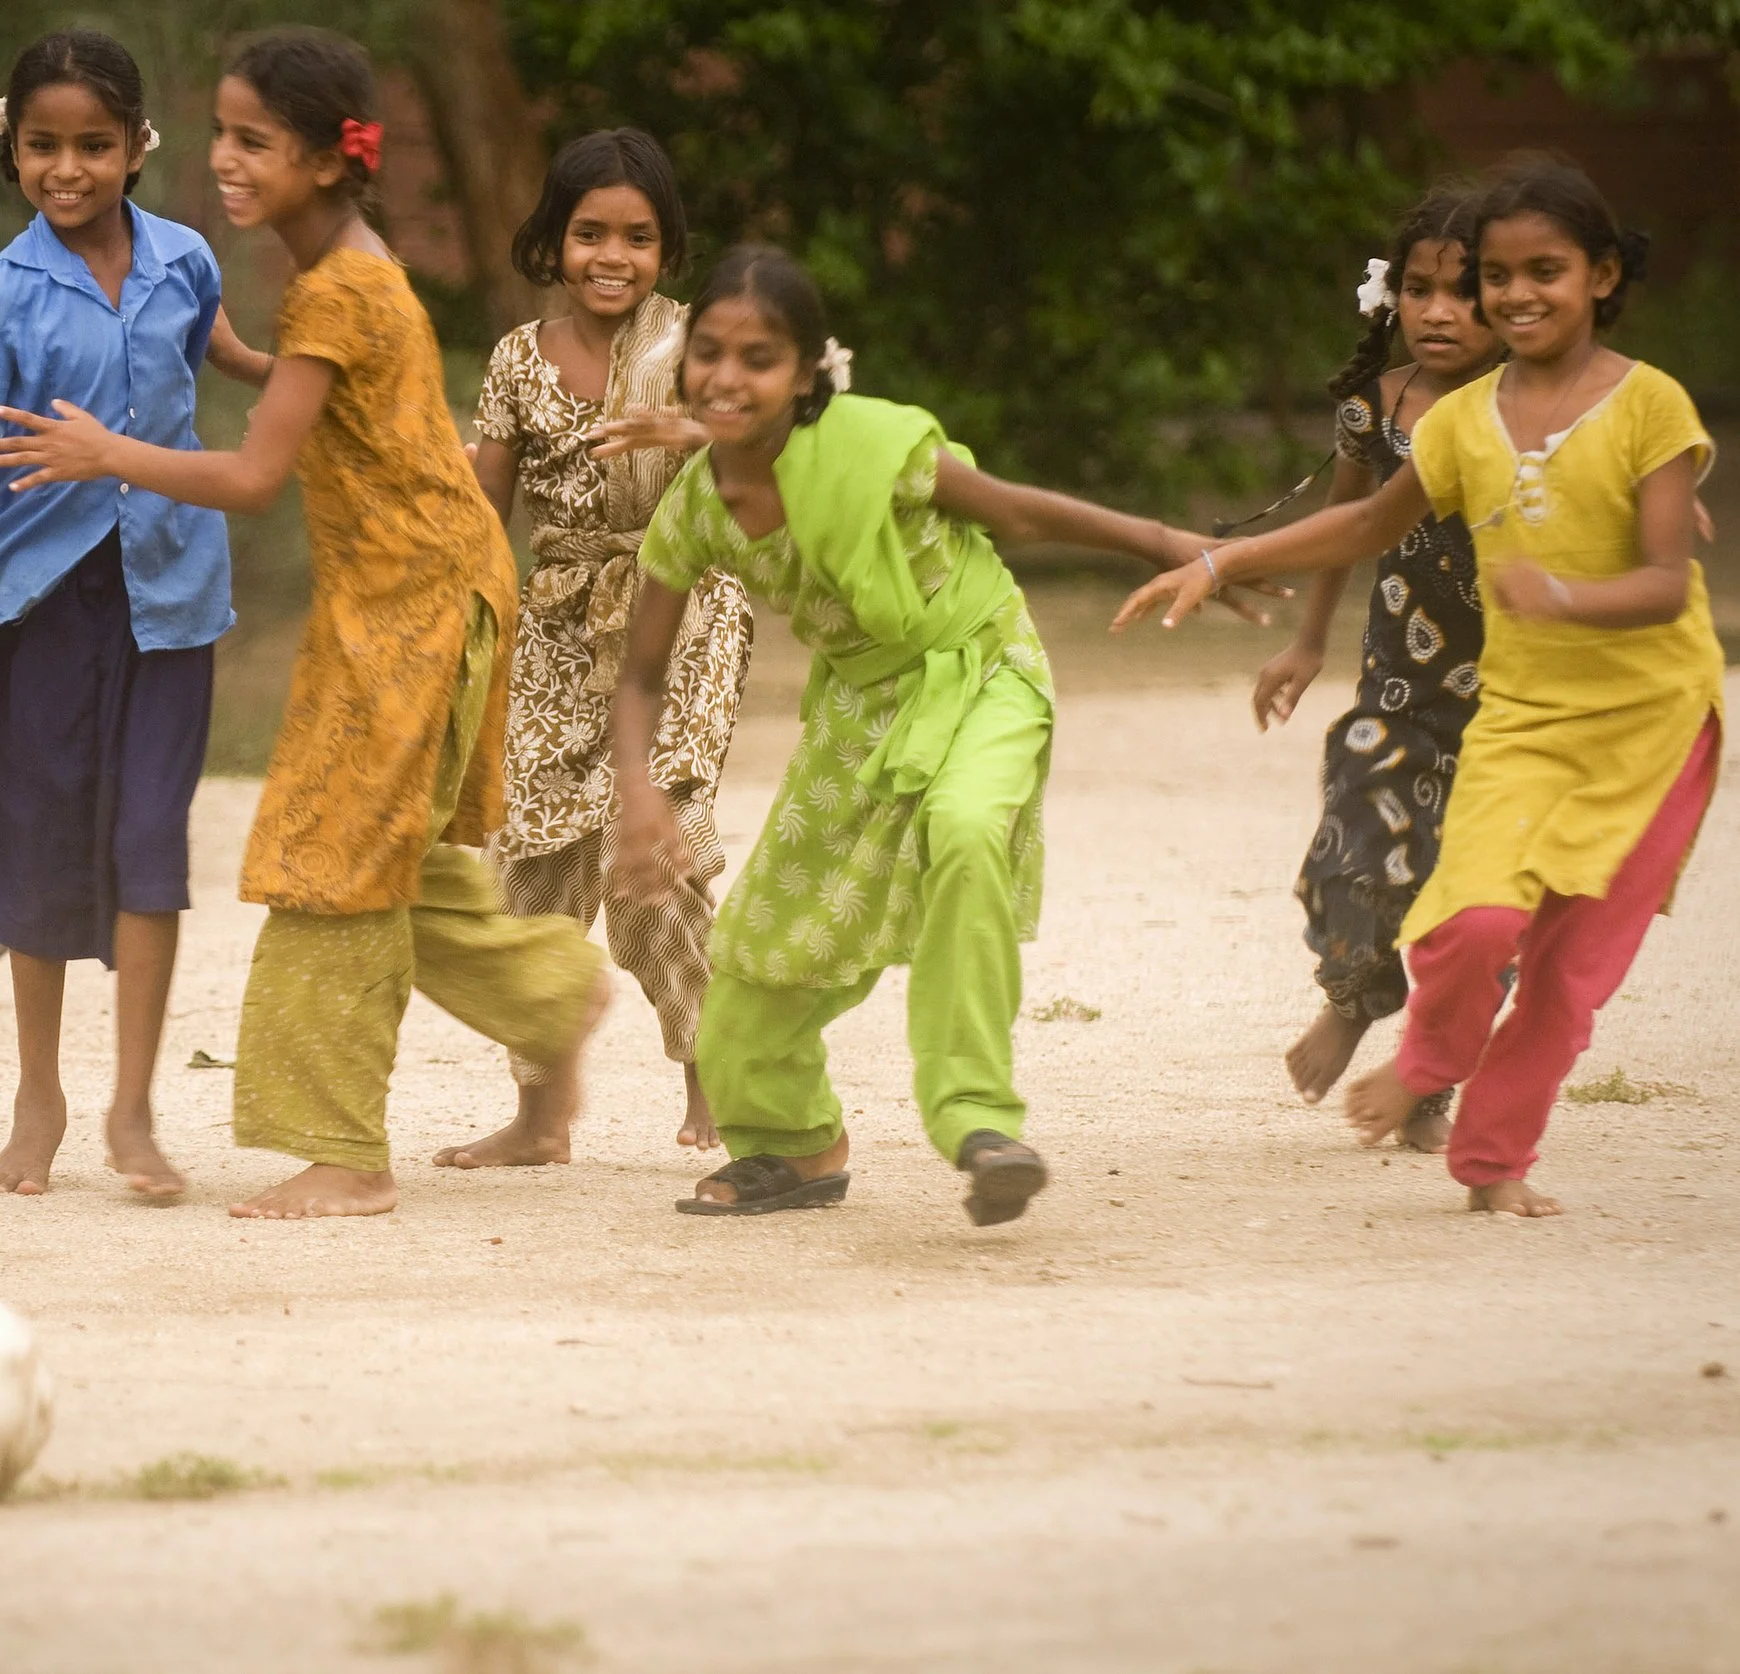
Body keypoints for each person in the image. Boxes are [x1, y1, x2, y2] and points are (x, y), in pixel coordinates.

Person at [0, 27, 609, 1220]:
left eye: (253, 141)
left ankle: (345, 1154)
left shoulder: (341, 284)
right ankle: (551, 994)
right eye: (221, 132)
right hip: (422, 589)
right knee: (391, 856)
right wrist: (225, 352)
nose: (223, 159)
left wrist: (104, 452)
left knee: (334, 860)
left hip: (414, 605)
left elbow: (257, 478)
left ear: (329, 160)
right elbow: (321, 389)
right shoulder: (347, 275)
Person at [1116, 155, 1718, 1218]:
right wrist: (1218, 562)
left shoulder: (1651, 407)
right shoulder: (1452, 422)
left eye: (1546, 270)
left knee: (1569, 966)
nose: (1514, 294)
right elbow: (1357, 524)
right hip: (1520, 717)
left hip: (1649, 726)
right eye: (1496, 274)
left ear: (1605, 277)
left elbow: (1669, 585)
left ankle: (1491, 1163)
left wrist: (1571, 596)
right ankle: (1429, 1055)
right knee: (1473, 923)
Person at [609, 245, 1258, 1224]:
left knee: (963, 833)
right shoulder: (696, 507)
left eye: (759, 357)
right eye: (710, 353)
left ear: (806, 374)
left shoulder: (876, 444)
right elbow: (641, 675)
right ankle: (793, 1147)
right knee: (753, 957)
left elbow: (1017, 513)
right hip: (861, 712)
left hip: (983, 670)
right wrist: (642, 796)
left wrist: (1176, 546)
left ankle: (976, 1119)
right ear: (683, 360)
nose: (728, 378)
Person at [0, 29, 269, 1200]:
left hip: (171, 602)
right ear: (13, 149)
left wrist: (338, 366)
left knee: (151, 841)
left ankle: (132, 1113)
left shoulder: (186, 259)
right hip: (34, 610)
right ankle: (36, 1096)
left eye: (94, 145)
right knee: (42, 842)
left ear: (135, 147)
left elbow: (235, 358)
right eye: (43, 145)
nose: (69, 169)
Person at [435, 128, 751, 1171]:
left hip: (681, 612)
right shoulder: (518, 360)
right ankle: (539, 1114)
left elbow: (773, 440)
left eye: (637, 237)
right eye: (588, 234)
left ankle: (715, 1073)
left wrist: (688, 432)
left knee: (649, 847)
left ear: (666, 250)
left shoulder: (694, 345)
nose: (611, 256)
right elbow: (484, 507)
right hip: (558, 626)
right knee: (531, 859)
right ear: (550, 241)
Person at [1249, 186, 1504, 1144]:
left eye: (1465, 292)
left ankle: (1428, 1080)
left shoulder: (1529, 410)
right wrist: (1309, 640)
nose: (1439, 311)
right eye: (1420, 289)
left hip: (1513, 707)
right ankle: (1355, 1001)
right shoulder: (1376, 404)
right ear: (1390, 296)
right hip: (1397, 692)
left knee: (1468, 899)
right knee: (1351, 861)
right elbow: (1342, 528)